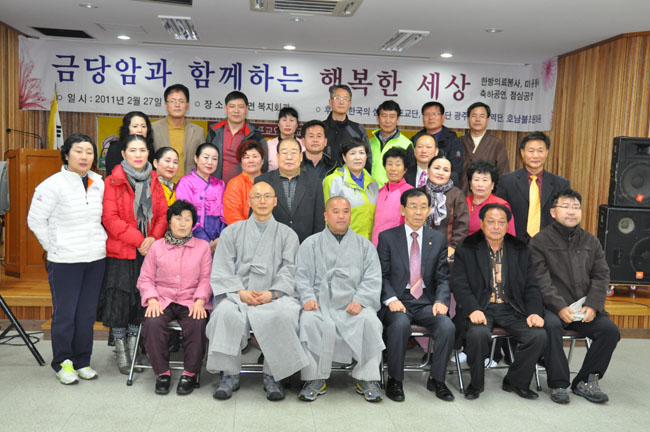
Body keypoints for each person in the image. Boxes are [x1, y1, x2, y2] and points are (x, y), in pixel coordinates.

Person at [206, 182, 309, 401]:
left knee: (285, 315)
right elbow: (222, 267)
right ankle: (229, 374)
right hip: (238, 295)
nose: (262, 201)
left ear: (275, 201)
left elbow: (290, 270)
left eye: (267, 196)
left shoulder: (288, 234)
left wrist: (272, 293)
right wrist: (240, 292)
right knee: (224, 314)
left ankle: (274, 375)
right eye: (257, 196)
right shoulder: (231, 232)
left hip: (275, 296)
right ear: (249, 201)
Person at [27, 133, 107, 385]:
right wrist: (54, 247)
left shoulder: (98, 182)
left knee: (86, 314)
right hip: (65, 261)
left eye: (89, 152)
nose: (84, 156)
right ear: (66, 154)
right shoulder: (52, 184)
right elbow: (35, 220)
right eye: (78, 151)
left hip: (95, 259)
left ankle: (82, 360)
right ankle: (63, 362)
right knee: (65, 314)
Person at [530, 189, 620, 404]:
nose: (571, 212)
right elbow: (540, 280)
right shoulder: (539, 241)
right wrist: (559, 306)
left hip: (584, 307)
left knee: (610, 331)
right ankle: (558, 383)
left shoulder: (591, 241)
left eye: (576, 207)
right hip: (551, 307)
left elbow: (601, 275)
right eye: (565, 206)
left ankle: (586, 381)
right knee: (551, 327)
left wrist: (592, 305)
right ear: (553, 212)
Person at [452, 203, 547, 400]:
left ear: (507, 225)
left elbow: (531, 286)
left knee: (537, 335)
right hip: (481, 306)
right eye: (491, 221)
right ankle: (475, 384)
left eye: (501, 222)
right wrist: (472, 309)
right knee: (477, 333)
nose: (496, 226)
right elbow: (460, 285)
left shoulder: (520, 248)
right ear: (481, 223)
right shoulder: (467, 247)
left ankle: (515, 381)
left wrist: (534, 312)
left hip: (511, 307)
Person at [295, 196, 385, 402]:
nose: (341, 216)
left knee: (371, 322)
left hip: (352, 303)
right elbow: (301, 276)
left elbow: (373, 278)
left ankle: (367, 378)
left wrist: (360, 300)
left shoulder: (364, 245)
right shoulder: (310, 244)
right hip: (320, 304)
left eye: (345, 211)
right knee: (308, 321)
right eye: (335, 211)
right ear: (325, 216)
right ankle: (314, 378)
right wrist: (308, 297)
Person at [98, 134, 168, 374]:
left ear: (149, 153)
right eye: (133, 150)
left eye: (142, 150)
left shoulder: (155, 180)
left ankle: (134, 346)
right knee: (119, 302)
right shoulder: (112, 181)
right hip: (121, 252)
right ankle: (121, 350)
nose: (138, 155)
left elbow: (162, 215)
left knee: (140, 301)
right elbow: (110, 218)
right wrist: (140, 240)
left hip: (147, 252)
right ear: (123, 154)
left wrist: (153, 238)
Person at [377, 188, 455, 402]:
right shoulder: (387, 238)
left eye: (423, 207)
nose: (418, 212)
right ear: (403, 210)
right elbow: (381, 275)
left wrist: (441, 300)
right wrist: (391, 299)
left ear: (429, 210)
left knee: (447, 326)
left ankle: (437, 380)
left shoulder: (437, 239)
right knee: (400, 324)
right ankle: (395, 379)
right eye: (413, 207)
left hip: (426, 302)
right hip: (398, 301)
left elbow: (442, 276)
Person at [136, 200, 213, 396]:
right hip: (162, 298)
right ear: (169, 221)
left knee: (197, 322)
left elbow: (206, 278)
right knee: (152, 322)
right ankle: (162, 373)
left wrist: (200, 300)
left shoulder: (202, 247)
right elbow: (145, 278)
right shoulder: (157, 247)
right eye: (178, 218)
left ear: (193, 223)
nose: (183, 223)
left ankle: (190, 373)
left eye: (188, 219)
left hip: (191, 299)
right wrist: (152, 299)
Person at [496, 131, 570, 242]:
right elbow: (499, 213)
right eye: (531, 151)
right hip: (514, 244)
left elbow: (566, 217)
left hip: (549, 245)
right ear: (522, 153)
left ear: (546, 153)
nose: (535, 155)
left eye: (540, 151)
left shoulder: (561, 184)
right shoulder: (506, 181)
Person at [255, 138, 325, 243]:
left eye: (293, 153)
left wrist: (314, 245)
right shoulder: (262, 181)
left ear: (301, 157)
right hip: (271, 244)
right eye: (284, 153)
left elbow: (319, 221)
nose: (289, 157)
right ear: (277, 156)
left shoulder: (314, 182)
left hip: (305, 245)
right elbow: (255, 217)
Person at [323, 137, 379, 241]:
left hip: (369, 244)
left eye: (361, 153)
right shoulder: (333, 181)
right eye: (352, 153)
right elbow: (326, 218)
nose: (358, 157)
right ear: (344, 157)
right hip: (342, 243)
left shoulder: (373, 184)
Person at [175, 143, 227, 254]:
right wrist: (205, 241)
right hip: (193, 235)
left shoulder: (220, 184)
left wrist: (221, 238)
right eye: (206, 157)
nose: (210, 162)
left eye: (214, 159)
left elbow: (224, 214)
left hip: (218, 239)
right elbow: (185, 215)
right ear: (196, 158)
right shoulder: (186, 183)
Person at [207, 90, 267, 183]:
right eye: (232, 106)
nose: (236, 111)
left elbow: (264, 165)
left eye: (241, 107)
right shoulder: (214, 132)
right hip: (216, 186)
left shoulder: (255, 136)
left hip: (244, 188)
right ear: (226, 109)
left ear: (246, 110)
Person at [151, 84, 205, 182]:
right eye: (173, 101)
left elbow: (202, 163)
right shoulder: (153, 129)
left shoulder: (198, 131)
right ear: (166, 105)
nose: (177, 105)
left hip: (189, 186)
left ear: (187, 105)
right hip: (160, 185)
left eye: (181, 101)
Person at [423, 155, 469, 259]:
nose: (441, 173)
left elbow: (462, 226)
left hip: (447, 250)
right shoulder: (419, 193)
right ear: (428, 170)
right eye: (437, 168)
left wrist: (452, 247)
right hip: (420, 248)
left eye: (446, 170)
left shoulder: (457, 195)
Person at [460, 102, 510, 194]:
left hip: (488, 196)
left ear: (487, 120)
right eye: (474, 116)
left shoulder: (497, 144)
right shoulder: (459, 142)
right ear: (468, 119)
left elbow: (503, 173)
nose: (477, 119)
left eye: (482, 116)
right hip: (462, 195)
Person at [410, 101, 463, 185]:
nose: (430, 118)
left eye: (434, 114)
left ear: (443, 117)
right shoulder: (415, 139)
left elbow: (456, 170)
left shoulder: (453, 140)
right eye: (427, 114)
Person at [322, 84, 372, 170]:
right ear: (330, 102)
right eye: (337, 98)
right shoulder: (320, 128)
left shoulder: (358, 129)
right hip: (323, 177)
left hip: (349, 178)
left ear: (349, 104)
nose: (341, 102)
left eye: (345, 99)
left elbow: (367, 158)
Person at [371, 147, 413, 246]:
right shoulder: (379, 192)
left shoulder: (410, 192)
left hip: (397, 247)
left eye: (398, 165)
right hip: (375, 246)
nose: (393, 169)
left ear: (405, 169)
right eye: (389, 164)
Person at [369, 100, 415, 188]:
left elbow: (410, 175)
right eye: (384, 116)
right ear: (378, 118)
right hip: (370, 192)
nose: (387, 121)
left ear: (397, 119)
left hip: (395, 193)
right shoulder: (370, 142)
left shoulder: (406, 144)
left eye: (392, 116)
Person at [466, 160, 515, 236]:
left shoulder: (501, 205)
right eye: (476, 180)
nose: (480, 184)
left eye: (485, 180)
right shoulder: (462, 202)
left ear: (492, 185)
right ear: (470, 184)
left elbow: (510, 236)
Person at [223, 140, 265, 225]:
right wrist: (250, 231)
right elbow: (232, 216)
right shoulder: (234, 184)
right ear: (241, 162)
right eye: (246, 157)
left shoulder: (269, 182)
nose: (251, 160)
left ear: (262, 161)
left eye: (255, 156)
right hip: (241, 231)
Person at [105, 111, 155, 176]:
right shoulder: (115, 148)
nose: (140, 130)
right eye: (135, 126)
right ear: (127, 129)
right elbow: (112, 175)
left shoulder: (150, 148)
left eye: (143, 126)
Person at [266, 107, 305, 171]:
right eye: (284, 120)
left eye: (291, 120)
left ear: (297, 124)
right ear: (278, 123)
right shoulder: (268, 145)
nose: (287, 124)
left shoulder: (304, 145)